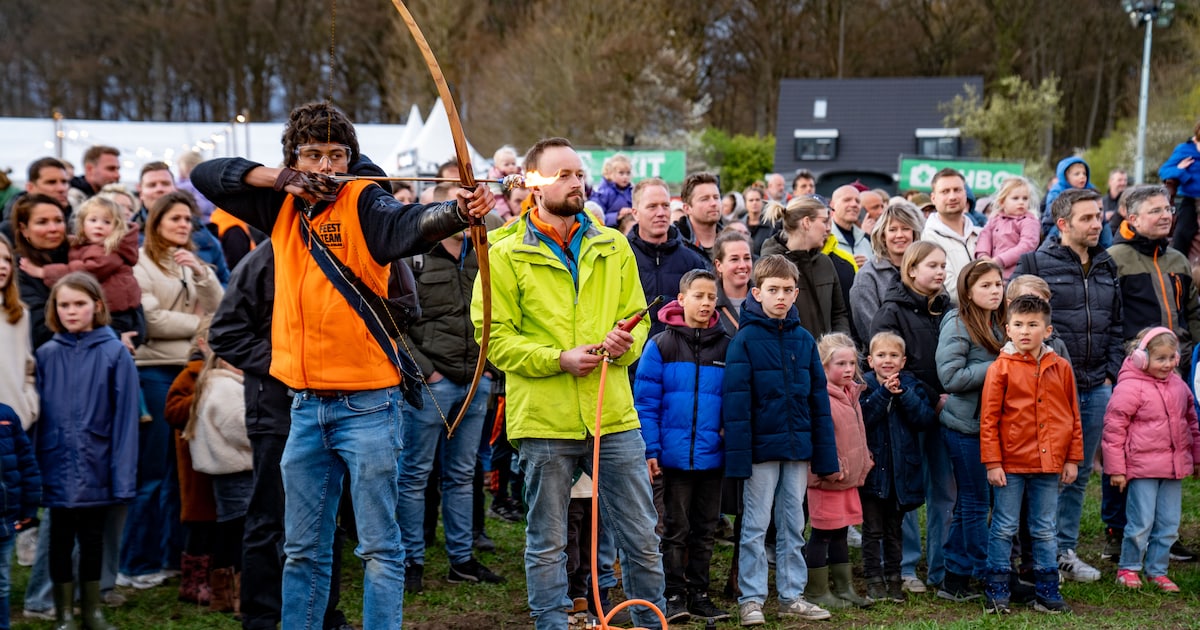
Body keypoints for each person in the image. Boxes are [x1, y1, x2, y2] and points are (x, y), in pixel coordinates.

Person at [193, 101, 492, 629]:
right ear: (294, 160)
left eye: (337, 155)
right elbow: (207, 175)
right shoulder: (280, 206)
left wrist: (456, 212)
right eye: (313, 155)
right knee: (301, 548)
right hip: (304, 407)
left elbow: (407, 224)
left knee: (379, 548)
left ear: (352, 159)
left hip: (370, 405)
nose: (327, 167)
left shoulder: (362, 200)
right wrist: (283, 179)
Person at [470, 136, 663, 629]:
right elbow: (493, 339)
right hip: (544, 422)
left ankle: (648, 622)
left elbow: (637, 319)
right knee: (547, 541)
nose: (577, 182)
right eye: (564, 175)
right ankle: (552, 623)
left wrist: (627, 343)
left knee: (641, 535)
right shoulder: (502, 253)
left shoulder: (613, 244)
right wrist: (557, 359)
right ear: (534, 185)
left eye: (579, 174)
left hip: (613, 416)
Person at [208, 241, 357, 630]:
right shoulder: (265, 258)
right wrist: (284, 363)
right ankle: (261, 616)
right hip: (276, 410)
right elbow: (225, 333)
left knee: (328, 517)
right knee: (269, 518)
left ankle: (323, 613)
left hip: (337, 407)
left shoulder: (349, 248)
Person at [397, 183, 504, 593]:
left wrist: (489, 369)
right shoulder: (416, 259)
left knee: (462, 475)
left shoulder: (481, 256)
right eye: (455, 209)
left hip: (474, 383)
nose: (465, 215)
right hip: (433, 385)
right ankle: (411, 561)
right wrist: (426, 373)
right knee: (414, 475)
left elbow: (499, 314)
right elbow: (397, 324)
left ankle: (461, 559)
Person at [1013, 187, 1121, 583]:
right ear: (1063, 224)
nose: (1098, 223)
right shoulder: (1034, 262)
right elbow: (1019, 323)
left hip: (1096, 385)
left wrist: (1110, 371)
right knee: (1041, 473)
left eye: (1099, 216)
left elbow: (1117, 323)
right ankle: (1033, 554)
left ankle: (1063, 551)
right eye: (1088, 218)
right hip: (1048, 389)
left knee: (1077, 474)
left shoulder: (1107, 265)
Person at [723, 254, 838, 626]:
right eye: (773, 290)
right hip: (759, 451)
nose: (781, 297)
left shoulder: (804, 341)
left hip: (797, 448)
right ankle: (752, 598)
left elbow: (819, 401)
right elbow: (736, 405)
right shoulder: (744, 341)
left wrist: (825, 457)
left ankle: (792, 595)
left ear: (796, 292)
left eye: (788, 290)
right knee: (755, 525)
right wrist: (739, 459)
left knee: (792, 524)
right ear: (756, 292)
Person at [36, 272, 139, 630]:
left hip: (97, 464)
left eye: (79, 304)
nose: (71, 312)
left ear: (97, 306)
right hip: (56, 462)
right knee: (60, 538)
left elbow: (126, 420)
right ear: (55, 308)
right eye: (64, 305)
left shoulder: (114, 353)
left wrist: (122, 477)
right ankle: (64, 614)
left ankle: (92, 610)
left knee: (93, 539)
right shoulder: (47, 354)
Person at [1105, 183, 1200, 565]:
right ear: (1132, 216)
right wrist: (1118, 365)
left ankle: (1166, 534)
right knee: (1127, 450)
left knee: (1167, 446)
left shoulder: (1177, 259)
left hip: (1175, 368)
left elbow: (1192, 311)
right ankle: (1116, 530)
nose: (1166, 215)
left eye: (1169, 209)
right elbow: (1110, 315)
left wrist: (1192, 352)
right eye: (1157, 210)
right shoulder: (1115, 258)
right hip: (1134, 370)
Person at [635, 269, 731, 623]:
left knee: (705, 529)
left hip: (711, 457)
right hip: (673, 458)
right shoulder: (661, 345)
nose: (706, 303)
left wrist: (726, 434)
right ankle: (674, 594)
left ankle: (700, 593)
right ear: (682, 299)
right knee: (674, 529)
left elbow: (733, 399)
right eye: (699, 296)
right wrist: (651, 450)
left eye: (711, 297)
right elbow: (646, 403)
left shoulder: (725, 345)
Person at [979, 295, 1082, 615]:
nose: (1026, 331)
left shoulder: (1061, 368)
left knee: (1044, 528)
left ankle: (1047, 590)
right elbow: (989, 419)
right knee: (1004, 526)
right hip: (1010, 464)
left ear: (1047, 330)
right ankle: (997, 590)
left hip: (1050, 463)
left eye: (1033, 325)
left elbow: (1073, 415)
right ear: (1007, 329)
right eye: (1019, 325)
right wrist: (993, 462)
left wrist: (1072, 458)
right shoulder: (1000, 369)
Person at [1104, 327, 1200, 592]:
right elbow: (1113, 430)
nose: (1167, 364)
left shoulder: (1179, 386)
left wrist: (1196, 458)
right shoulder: (1130, 388)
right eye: (1160, 358)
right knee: (1140, 522)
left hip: (1173, 469)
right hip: (1142, 469)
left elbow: (1192, 422)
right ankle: (1128, 568)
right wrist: (1116, 469)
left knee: (1169, 524)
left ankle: (1157, 571)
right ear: (1141, 358)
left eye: (1172, 357)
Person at [935, 259, 1006, 601]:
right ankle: (987, 571)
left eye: (998, 284)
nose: (995, 291)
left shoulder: (1000, 321)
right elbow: (950, 377)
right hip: (965, 427)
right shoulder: (958, 322)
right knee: (976, 504)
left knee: (970, 504)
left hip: (992, 426)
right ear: (967, 290)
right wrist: (1000, 365)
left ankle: (955, 577)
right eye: (986, 286)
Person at [859, 332, 937, 603]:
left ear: (903, 361)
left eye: (893, 356)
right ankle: (873, 578)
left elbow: (924, 419)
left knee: (895, 529)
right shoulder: (864, 386)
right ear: (870, 360)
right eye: (881, 355)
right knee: (872, 530)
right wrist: (883, 393)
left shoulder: (912, 387)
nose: (887, 360)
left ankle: (894, 578)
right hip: (872, 474)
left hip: (901, 473)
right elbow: (863, 418)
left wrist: (903, 396)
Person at [802, 333, 872, 611]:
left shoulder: (851, 394)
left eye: (852, 363)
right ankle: (817, 590)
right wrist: (829, 468)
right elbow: (817, 439)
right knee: (822, 534)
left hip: (847, 482)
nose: (848, 370)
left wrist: (864, 460)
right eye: (840, 364)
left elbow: (857, 433)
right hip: (826, 482)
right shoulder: (819, 398)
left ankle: (844, 588)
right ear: (823, 366)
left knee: (842, 532)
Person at [21, 196, 143, 352]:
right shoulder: (86, 245)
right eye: (93, 220)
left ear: (117, 227)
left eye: (107, 222)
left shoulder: (109, 250)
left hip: (115, 314)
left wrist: (44, 272)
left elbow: (85, 272)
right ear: (82, 223)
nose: (99, 226)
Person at [627, 177, 711, 339]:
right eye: (652, 206)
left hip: (679, 357)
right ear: (635, 213)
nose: (661, 213)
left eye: (665, 205)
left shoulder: (692, 261)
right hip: (632, 358)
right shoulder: (621, 258)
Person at [760, 196, 851, 337]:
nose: (828, 228)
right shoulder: (770, 266)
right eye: (824, 221)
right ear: (807, 222)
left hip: (828, 356)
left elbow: (839, 314)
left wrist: (837, 347)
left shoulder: (825, 263)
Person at [869, 241, 949, 390]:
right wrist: (932, 399)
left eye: (943, 266)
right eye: (932, 266)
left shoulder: (948, 309)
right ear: (911, 270)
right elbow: (889, 367)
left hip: (951, 399)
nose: (940, 272)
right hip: (912, 402)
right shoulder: (890, 313)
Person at [849, 201, 924, 343]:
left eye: (906, 228)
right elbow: (869, 329)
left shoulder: (925, 270)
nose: (900, 235)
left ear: (914, 233)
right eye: (893, 229)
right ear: (883, 235)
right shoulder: (867, 276)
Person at [10, 194, 69, 349]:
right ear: (24, 229)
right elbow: (40, 329)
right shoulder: (16, 269)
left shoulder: (83, 258)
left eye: (58, 220)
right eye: (42, 222)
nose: (53, 228)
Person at [0, 403, 39, 629]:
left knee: (2, 582)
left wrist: (29, 508)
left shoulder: (6, 416)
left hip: (3, 521)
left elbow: (27, 463)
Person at [922, 169, 980, 306]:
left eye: (957, 190)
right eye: (945, 191)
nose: (952, 197)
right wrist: (985, 297)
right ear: (933, 198)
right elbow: (947, 287)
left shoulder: (981, 233)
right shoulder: (928, 239)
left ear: (965, 194)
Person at [0, 235, 38, 430]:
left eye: (7, 259)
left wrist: (27, 407)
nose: (3, 266)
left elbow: (27, 368)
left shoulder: (19, 314)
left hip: (11, 426)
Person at [975, 176, 1039, 280]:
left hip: (1017, 274)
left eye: (1025, 198)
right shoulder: (994, 219)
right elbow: (984, 236)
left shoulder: (1029, 221)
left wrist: (1000, 260)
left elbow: (1027, 245)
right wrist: (983, 255)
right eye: (1015, 198)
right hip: (992, 272)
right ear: (1002, 202)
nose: (1021, 202)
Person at [1158, 123, 1200, 255]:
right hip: (1191, 200)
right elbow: (1164, 171)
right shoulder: (1184, 149)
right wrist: (1181, 172)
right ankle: (1177, 270)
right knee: (1182, 233)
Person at [713, 231, 753, 336]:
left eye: (747, 258)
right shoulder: (708, 304)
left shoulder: (766, 300)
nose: (743, 265)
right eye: (734, 259)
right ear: (719, 265)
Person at [675, 172, 724, 257]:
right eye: (704, 199)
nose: (713, 203)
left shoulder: (732, 239)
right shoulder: (674, 241)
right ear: (687, 208)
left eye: (716, 197)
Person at [67, 146, 121, 211]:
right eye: (111, 169)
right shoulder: (72, 199)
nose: (117, 175)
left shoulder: (112, 197)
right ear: (90, 169)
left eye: (118, 169)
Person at [829, 186, 870, 268]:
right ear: (832, 205)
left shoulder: (865, 241)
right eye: (847, 200)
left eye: (858, 201)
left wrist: (868, 267)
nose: (854, 204)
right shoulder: (824, 238)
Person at [590, 153, 634, 227]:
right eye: (621, 173)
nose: (625, 177)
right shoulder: (602, 193)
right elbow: (595, 218)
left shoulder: (632, 191)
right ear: (610, 173)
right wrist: (617, 215)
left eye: (628, 173)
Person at [742, 185, 773, 255]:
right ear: (745, 203)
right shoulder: (739, 226)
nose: (754, 203)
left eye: (757, 199)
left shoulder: (772, 225)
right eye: (751, 200)